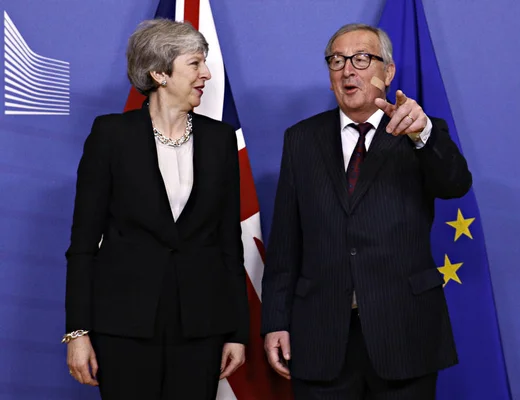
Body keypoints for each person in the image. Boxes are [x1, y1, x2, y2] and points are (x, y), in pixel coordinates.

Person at [261, 23, 472, 399]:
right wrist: (275, 321)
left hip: (404, 333)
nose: (347, 70)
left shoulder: (419, 132)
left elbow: (455, 184)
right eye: (337, 61)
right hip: (321, 337)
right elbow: (285, 242)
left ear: (387, 72)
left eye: (361, 59)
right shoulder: (301, 139)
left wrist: (422, 136)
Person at [63, 19, 248, 399]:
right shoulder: (111, 135)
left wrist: (236, 332)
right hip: (124, 325)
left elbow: (230, 243)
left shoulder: (221, 140)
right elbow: (83, 243)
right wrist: (78, 332)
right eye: (195, 64)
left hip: (201, 326)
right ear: (160, 73)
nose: (207, 74)